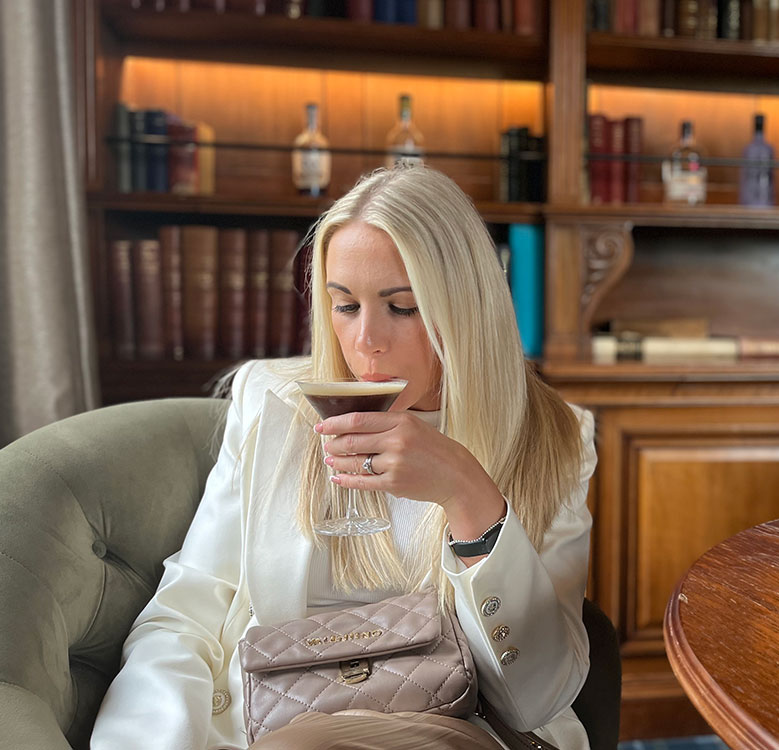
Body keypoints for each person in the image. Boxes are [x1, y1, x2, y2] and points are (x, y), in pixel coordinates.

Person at [90, 166, 597, 750]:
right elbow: (188, 610)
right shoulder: (272, 404)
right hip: (278, 723)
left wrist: (467, 494)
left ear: (467, 307)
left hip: (460, 726)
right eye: (346, 305)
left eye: (402, 307)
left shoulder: (556, 436)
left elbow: (537, 694)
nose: (366, 341)